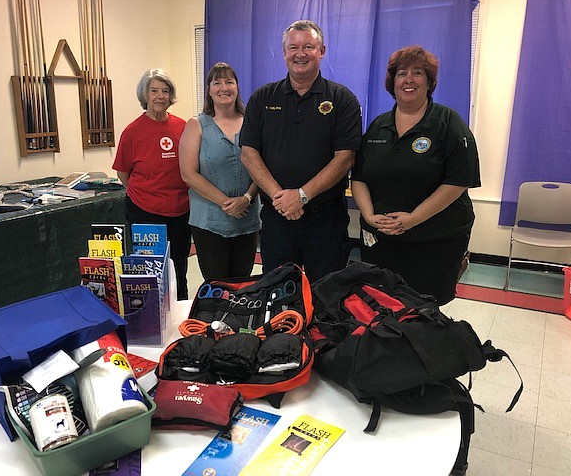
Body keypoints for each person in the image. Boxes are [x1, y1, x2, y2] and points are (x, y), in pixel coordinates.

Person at [351, 45, 480, 305]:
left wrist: (412, 219)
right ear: (392, 82)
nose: (408, 79)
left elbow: (457, 182)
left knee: (425, 310)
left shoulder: (448, 123)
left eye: (417, 73)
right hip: (382, 238)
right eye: (401, 74)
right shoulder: (379, 125)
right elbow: (360, 177)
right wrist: (367, 215)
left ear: (429, 82)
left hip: (434, 239)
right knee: (381, 305)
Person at [240, 20, 362, 283]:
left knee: (327, 295)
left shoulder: (343, 100)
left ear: (322, 51)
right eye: (293, 47)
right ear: (284, 53)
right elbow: (248, 153)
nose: (300, 53)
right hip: (277, 218)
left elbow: (345, 159)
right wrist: (281, 198)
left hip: (325, 221)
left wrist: (303, 196)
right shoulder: (262, 98)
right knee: (277, 293)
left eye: (309, 46)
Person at [112, 69, 191, 300]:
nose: (160, 96)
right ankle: (148, 320)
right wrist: (146, 193)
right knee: (148, 273)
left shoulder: (183, 127)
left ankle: (183, 318)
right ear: (144, 95)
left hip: (180, 211)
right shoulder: (132, 131)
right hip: (145, 212)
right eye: (154, 91)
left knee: (179, 269)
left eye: (165, 91)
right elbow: (123, 173)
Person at [179, 62, 260, 280]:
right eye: (217, 82)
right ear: (209, 90)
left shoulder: (252, 122)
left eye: (229, 82)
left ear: (237, 87)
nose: (224, 87)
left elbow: (262, 167)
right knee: (216, 288)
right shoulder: (196, 125)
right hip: (209, 222)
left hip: (247, 219)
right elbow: (188, 174)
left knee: (243, 284)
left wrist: (247, 198)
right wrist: (227, 203)